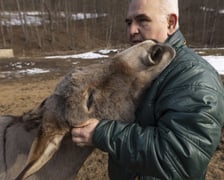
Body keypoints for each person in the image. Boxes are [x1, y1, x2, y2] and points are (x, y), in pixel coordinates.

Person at [71, 0, 224, 179]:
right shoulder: (146, 69)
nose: (132, 31)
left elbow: (181, 160)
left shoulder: (194, 77)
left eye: (142, 21)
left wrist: (102, 133)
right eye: (129, 22)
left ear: (171, 23)